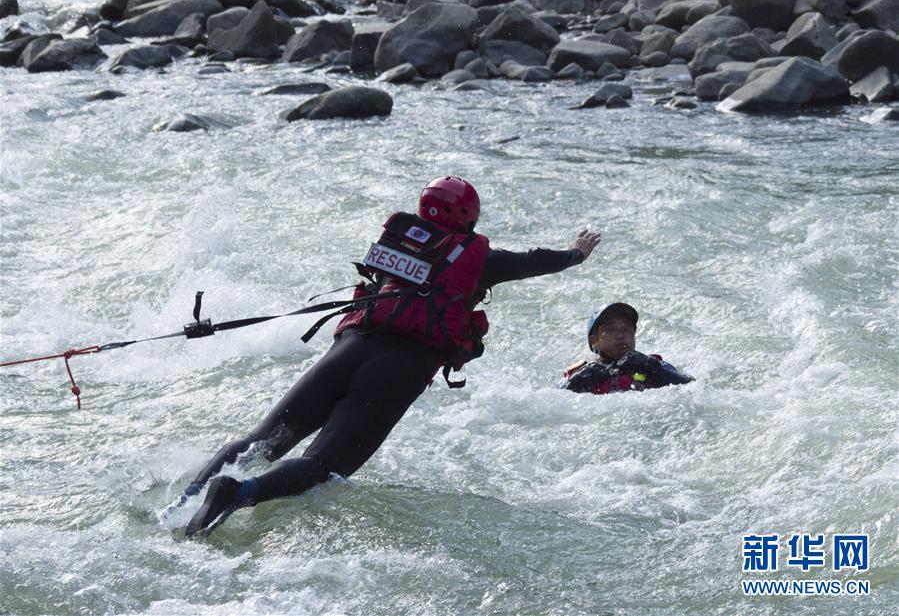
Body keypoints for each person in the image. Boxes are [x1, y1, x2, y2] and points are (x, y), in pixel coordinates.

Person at [181, 176, 603, 537]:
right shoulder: (478, 262)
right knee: (324, 464)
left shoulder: (399, 245)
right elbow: (535, 261)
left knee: (262, 439)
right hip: (401, 367)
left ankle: (183, 503)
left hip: (350, 347)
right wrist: (576, 252)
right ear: (469, 218)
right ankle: (239, 493)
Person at [561, 302, 693, 394]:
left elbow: (691, 387)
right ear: (594, 340)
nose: (620, 335)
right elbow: (557, 400)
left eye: (626, 329)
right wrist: (579, 382)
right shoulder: (582, 373)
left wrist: (652, 368)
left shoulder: (653, 364)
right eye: (611, 329)